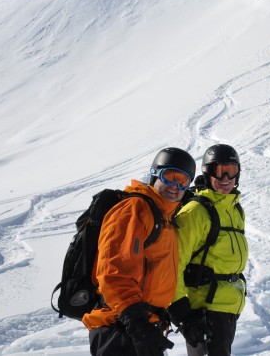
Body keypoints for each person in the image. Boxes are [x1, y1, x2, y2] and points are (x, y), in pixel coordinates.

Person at [83, 147, 196, 356]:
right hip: (121, 328)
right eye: (169, 176)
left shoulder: (166, 218)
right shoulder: (135, 208)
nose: (175, 186)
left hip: (146, 326)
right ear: (154, 174)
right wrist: (136, 324)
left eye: (183, 181)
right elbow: (114, 271)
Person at [168, 144, 249, 356]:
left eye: (231, 171)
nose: (225, 178)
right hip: (204, 309)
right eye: (218, 170)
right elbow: (174, 263)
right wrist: (182, 313)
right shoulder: (196, 211)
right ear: (207, 172)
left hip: (228, 305)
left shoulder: (235, 209)